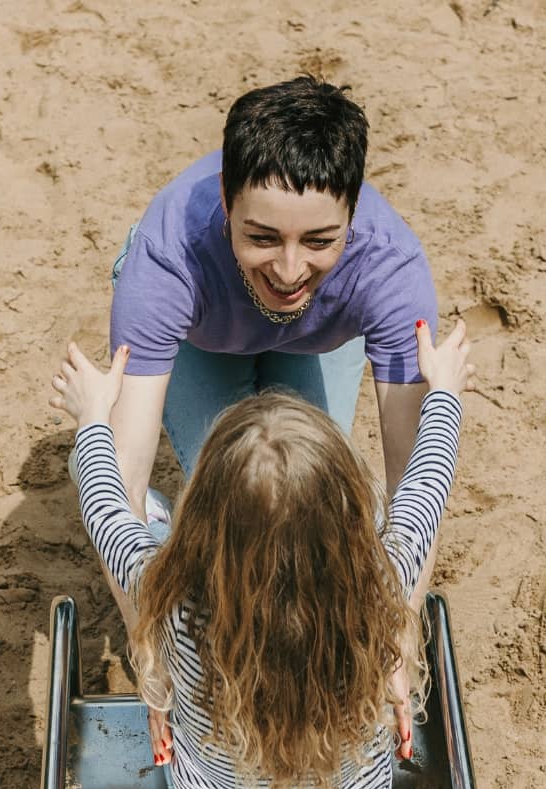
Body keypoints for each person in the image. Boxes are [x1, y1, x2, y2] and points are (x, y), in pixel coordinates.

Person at [50, 318, 472, 789]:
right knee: (392, 515)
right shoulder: (380, 583)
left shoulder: (172, 597)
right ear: (342, 517)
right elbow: (428, 482)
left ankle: (164, 516)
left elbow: (103, 504)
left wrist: (93, 415)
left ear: (205, 518)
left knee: (148, 522)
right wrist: (444, 391)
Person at [83, 75, 444, 624]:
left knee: (308, 502)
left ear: (353, 211)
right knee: (234, 504)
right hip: (204, 338)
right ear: (226, 202)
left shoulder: (390, 267)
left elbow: (411, 483)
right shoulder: (166, 258)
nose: (290, 271)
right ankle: (159, 513)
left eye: (320, 240)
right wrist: (147, 638)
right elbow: (126, 479)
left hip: (318, 338)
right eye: (263, 237)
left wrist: (400, 632)